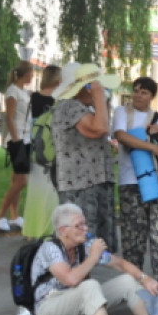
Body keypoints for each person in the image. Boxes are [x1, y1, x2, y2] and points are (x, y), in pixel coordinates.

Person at [113, 76, 158, 295]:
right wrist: (151, 147)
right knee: (133, 234)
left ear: (152, 96)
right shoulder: (122, 112)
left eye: (144, 92)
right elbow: (121, 136)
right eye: (136, 90)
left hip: (157, 182)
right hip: (130, 181)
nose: (138, 95)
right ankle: (133, 279)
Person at [51, 63, 121, 249]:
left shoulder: (83, 108)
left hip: (95, 182)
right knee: (83, 244)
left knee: (99, 246)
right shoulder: (69, 107)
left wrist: (101, 101)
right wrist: (99, 97)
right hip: (80, 186)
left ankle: (94, 266)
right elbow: (100, 128)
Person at [22, 65, 62, 239]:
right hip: (51, 150)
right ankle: (47, 230)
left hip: (34, 149)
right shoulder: (58, 100)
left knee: (34, 193)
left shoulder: (33, 98)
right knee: (51, 194)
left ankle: (31, 230)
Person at [0, 60, 34, 232]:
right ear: (26, 74)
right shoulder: (12, 91)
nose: (32, 77)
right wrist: (16, 139)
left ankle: (15, 215)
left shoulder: (24, 92)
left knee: (17, 180)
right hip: (17, 139)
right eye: (31, 73)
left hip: (26, 138)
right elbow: (9, 117)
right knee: (21, 181)